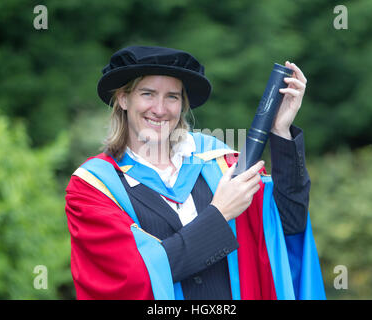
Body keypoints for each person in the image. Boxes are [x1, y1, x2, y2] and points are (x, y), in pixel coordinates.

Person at [64, 45, 325, 300]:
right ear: (123, 98)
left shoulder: (220, 163)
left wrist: (280, 130)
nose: (160, 108)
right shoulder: (94, 187)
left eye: (172, 97)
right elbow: (135, 275)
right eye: (147, 94)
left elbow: (288, 226)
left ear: (182, 105)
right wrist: (220, 213)